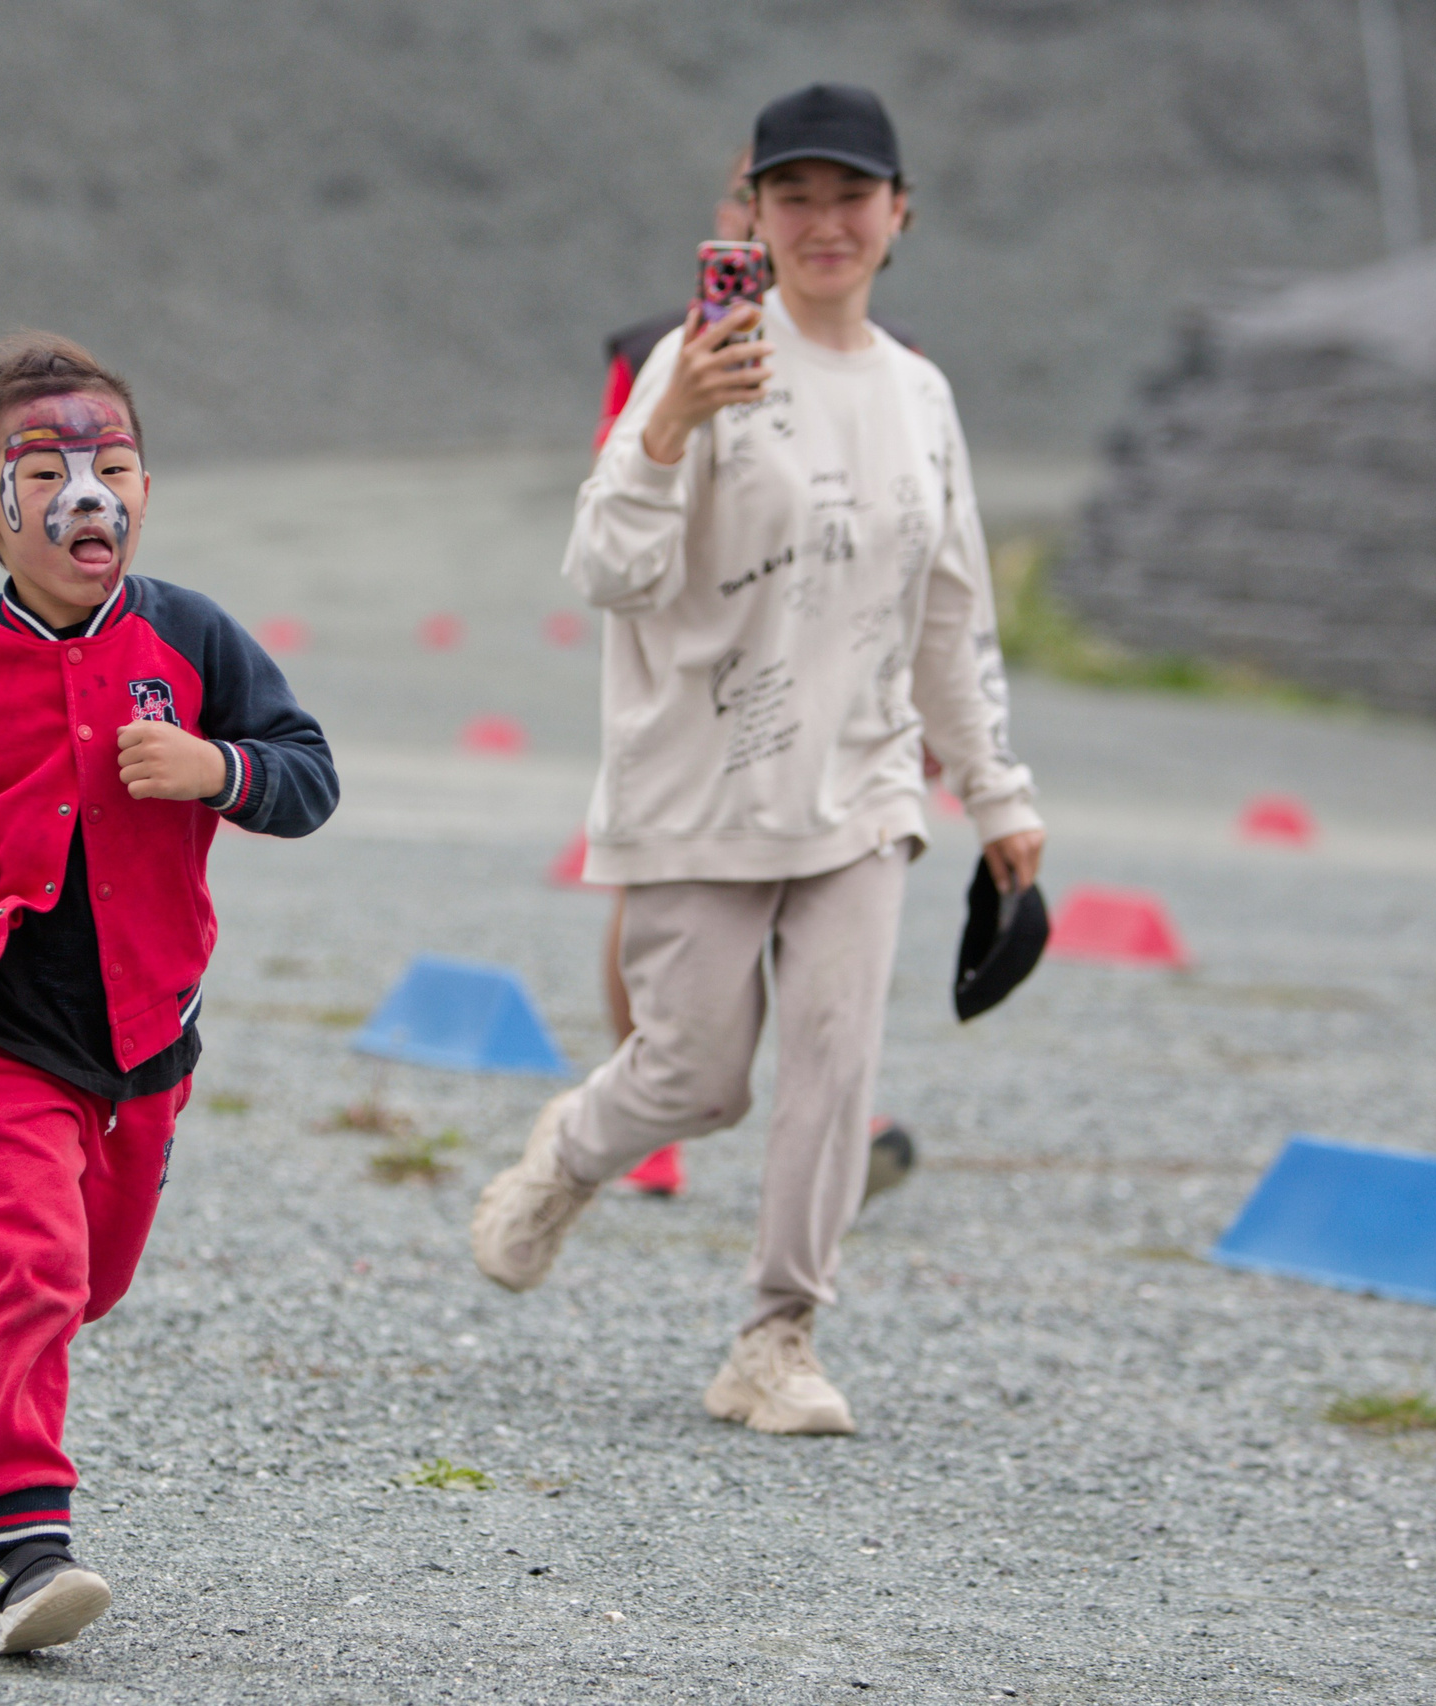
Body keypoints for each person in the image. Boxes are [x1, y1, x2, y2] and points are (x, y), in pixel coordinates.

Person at [476, 85, 1045, 1435]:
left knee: (835, 1065)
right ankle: (568, 1153)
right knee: (697, 1075)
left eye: (852, 197)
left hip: (864, 785)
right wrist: (671, 421)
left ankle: (776, 1337)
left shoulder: (919, 394)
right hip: (705, 781)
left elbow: (950, 609)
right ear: (757, 216)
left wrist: (997, 793)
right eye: (795, 196)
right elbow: (605, 568)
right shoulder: (702, 360)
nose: (824, 222)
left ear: (900, 215)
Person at [0, 337, 338, 1655]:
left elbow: (309, 774)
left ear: (146, 491)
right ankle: (27, 1552)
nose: (86, 499)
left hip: (146, 1027)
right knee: (40, 1266)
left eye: (112, 468)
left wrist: (219, 768)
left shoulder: (195, 640)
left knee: (80, 1283)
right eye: (47, 474)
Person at [592, 146, 921, 1206]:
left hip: (829, 681)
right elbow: (615, 509)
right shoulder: (656, 350)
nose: (796, 222)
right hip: (696, 678)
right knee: (668, 905)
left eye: (836, 199)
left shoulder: (894, 368)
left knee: (827, 893)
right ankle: (651, 1117)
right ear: (733, 216)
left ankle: (833, 1120)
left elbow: (903, 541)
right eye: (767, 197)